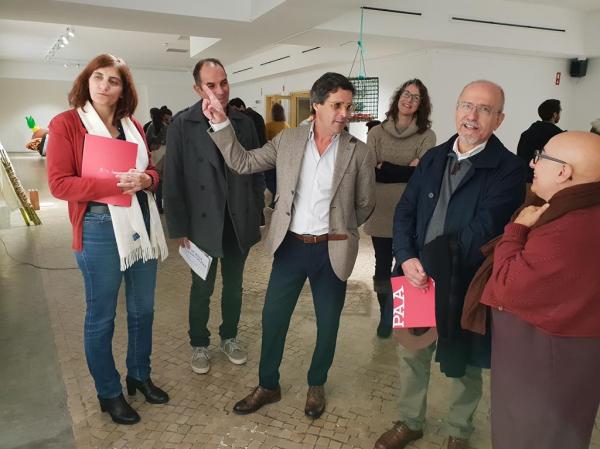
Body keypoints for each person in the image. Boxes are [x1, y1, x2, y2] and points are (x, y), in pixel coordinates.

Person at [203, 72, 375, 419]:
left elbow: (365, 203)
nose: (344, 113)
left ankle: (316, 383)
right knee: (273, 318)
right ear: (317, 105)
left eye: (348, 106)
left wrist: (341, 228)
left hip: (332, 249)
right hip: (291, 248)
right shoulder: (289, 140)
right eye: (336, 105)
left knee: (328, 323)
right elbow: (243, 162)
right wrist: (221, 124)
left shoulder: (358, 152)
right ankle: (268, 384)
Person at [374, 80, 526, 449]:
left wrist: (425, 262)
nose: (472, 116)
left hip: (467, 282)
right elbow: (405, 210)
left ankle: (459, 432)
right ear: (456, 110)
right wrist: (406, 256)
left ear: (499, 119)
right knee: (411, 352)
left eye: (484, 109)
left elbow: (484, 230)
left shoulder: (509, 169)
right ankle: (410, 420)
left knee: (465, 363)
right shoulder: (433, 157)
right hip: (415, 277)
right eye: (466, 105)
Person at [46, 54, 169, 425]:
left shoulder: (133, 126)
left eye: (113, 81)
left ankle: (139, 375)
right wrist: (114, 184)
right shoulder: (67, 124)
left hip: (141, 224)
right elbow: (59, 184)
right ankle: (109, 392)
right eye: (97, 77)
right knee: (101, 317)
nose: (104, 85)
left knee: (143, 310)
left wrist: (147, 180)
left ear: (123, 90)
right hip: (98, 228)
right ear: (87, 81)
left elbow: (151, 172)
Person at [470, 131, 600, 449]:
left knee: (531, 433)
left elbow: (508, 285)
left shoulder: (567, 230)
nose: (532, 163)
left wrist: (516, 230)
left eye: (541, 157)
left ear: (563, 172)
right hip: (565, 357)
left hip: (545, 363)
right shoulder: (580, 211)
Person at [163, 58, 265, 375]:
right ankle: (199, 343)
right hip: (202, 223)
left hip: (237, 219)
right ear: (198, 89)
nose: (220, 91)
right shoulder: (182, 124)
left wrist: (257, 213)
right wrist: (179, 227)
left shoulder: (244, 122)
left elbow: (255, 171)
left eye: (223, 83)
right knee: (202, 288)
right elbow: (173, 179)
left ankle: (229, 337)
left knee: (234, 286)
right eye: (211, 85)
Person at [363, 79, 436, 338]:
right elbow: (371, 170)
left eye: (416, 97)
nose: (409, 100)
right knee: (382, 266)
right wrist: (408, 169)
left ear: (421, 104)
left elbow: (422, 175)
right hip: (381, 211)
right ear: (398, 97)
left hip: (412, 213)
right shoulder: (376, 133)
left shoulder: (427, 135)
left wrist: (387, 168)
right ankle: (386, 318)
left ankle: (407, 317)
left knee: (410, 265)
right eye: (406, 94)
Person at [516, 98, 563, 182]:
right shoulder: (559, 136)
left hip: (524, 181)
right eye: (560, 112)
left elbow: (520, 158)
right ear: (555, 114)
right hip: (548, 182)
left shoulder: (526, 134)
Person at [145, 107, 171, 213]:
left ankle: (155, 205)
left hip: (154, 156)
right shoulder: (164, 127)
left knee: (155, 181)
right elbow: (168, 140)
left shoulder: (150, 126)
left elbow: (146, 141)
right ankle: (160, 206)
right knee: (161, 182)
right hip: (163, 156)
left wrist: (153, 145)